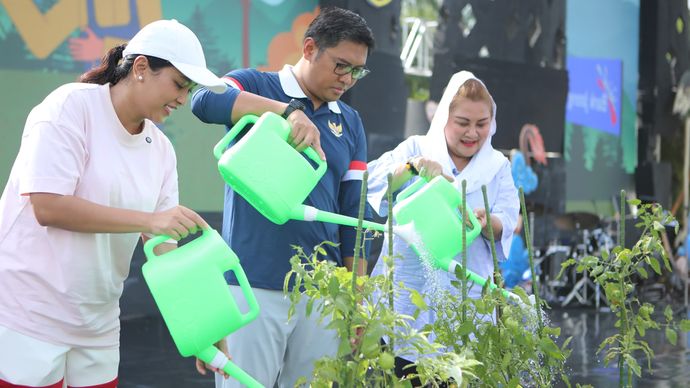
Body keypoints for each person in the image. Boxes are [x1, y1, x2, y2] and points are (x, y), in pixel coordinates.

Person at [0, 19, 227, 387]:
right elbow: (48, 206)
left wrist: (202, 325)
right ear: (140, 69)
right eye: (178, 85)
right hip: (28, 318)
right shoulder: (69, 107)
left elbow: (163, 248)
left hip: (99, 327)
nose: (183, 99)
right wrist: (149, 220)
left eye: (189, 89)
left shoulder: (162, 152)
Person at [190, 7, 375, 388]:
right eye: (342, 66)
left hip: (324, 294)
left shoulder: (350, 122)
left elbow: (353, 212)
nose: (348, 79)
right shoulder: (257, 84)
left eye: (358, 71)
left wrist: (356, 299)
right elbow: (203, 100)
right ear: (309, 48)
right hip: (252, 284)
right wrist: (286, 112)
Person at [366, 71, 520, 383]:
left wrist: (490, 223)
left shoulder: (497, 167)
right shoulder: (416, 148)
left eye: (481, 124)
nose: (472, 133)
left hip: (467, 303)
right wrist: (413, 169)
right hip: (406, 296)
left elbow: (509, 217)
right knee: (401, 372)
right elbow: (372, 184)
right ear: (444, 117)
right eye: (463, 123)